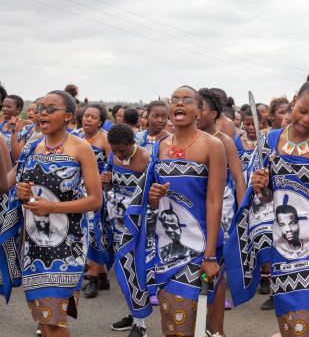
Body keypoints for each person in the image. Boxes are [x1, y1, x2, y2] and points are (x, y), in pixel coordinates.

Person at [225, 69, 309, 337]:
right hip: (283, 249)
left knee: (305, 329)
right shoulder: (270, 140)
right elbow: (269, 199)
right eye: (302, 111)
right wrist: (261, 187)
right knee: (290, 328)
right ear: (294, 102)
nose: (306, 120)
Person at [115, 85, 226, 337]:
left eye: (186, 100)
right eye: (174, 99)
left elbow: (214, 201)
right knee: (171, 326)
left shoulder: (212, 146)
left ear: (198, 111)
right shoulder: (161, 146)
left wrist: (209, 256)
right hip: (166, 250)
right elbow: (154, 203)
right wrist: (153, 197)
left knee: (187, 324)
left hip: (200, 248)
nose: (178, 103)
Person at [0, 90, 102, 337]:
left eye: (51, 108)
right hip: (34, 244)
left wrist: (51, 207)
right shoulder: (32, 146)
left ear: (68, 116)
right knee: (44, 320)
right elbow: (7, 184)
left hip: (67, 245)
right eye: (41, 108)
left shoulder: (81, 148)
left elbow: (95, 200)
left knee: (54, 322)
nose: (43, 112)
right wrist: (22, 192)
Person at [198, 87, 247, 329]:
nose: (195, 112)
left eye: (201, 108)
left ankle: (215, 330)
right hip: (189, 213)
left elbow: (238, 179)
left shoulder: (224, 141)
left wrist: (244, 213)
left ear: (213, 114)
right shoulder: (178, 139)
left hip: (219, 212)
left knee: (211, 273)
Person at [102, 123, 150, 337]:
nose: (119, 155)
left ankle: (140, 323)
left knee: (135, 271)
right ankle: (133, 314)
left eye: (123, 150)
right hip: (116, 220)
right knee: (122, 271)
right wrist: (106, 182)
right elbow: (109, 186)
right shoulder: (113, 157)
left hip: (139, 223)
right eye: (115, 150)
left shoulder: (146, 158)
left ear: (133, 143)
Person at [76, 103, 112, 298]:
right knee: (83, 233)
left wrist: (107, 176)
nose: (88, 119)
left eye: (93, 117)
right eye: (86, 116)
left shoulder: (105, 141)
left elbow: (112, 166)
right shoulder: (76, 137)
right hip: (76, 193)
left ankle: (95, 278)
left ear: (100, 122)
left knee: (95, 234)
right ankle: (103, 276)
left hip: (96, 193)